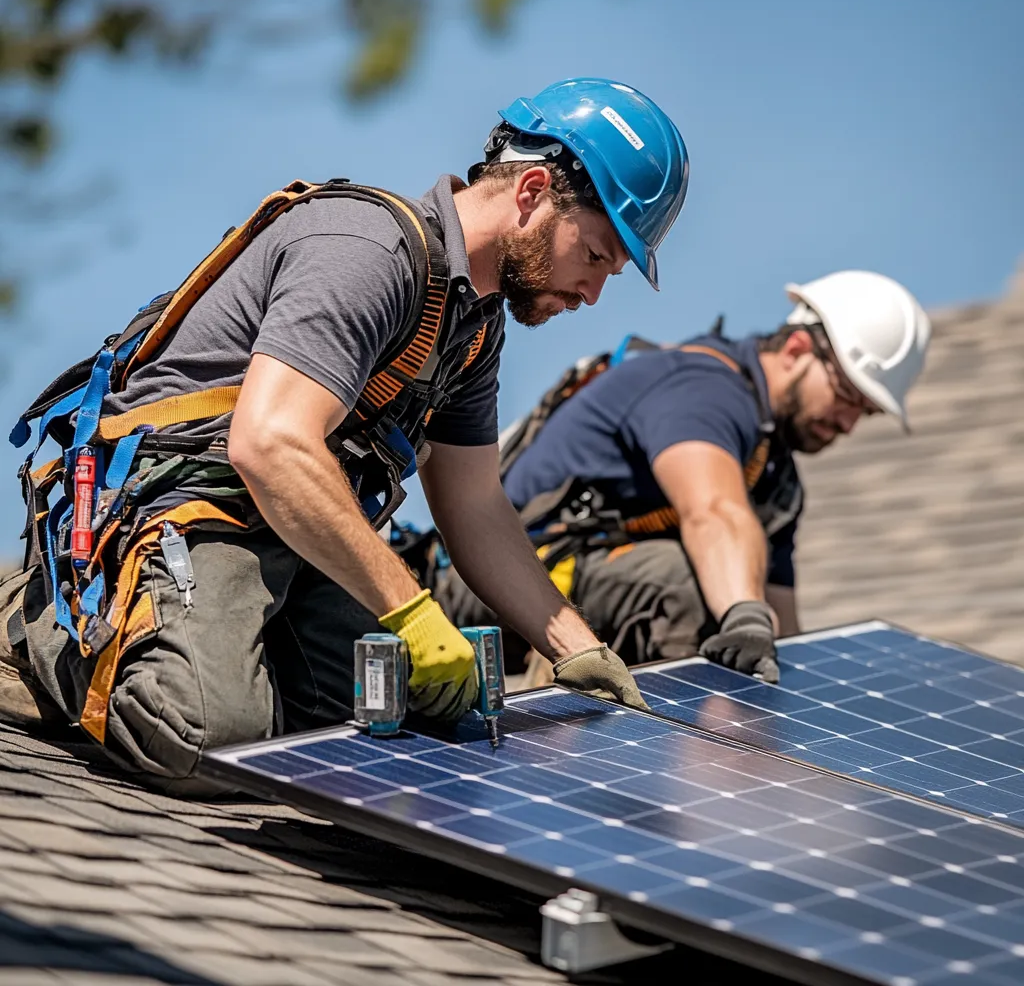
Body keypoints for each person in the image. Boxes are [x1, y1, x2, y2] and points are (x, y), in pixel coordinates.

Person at [0, 77, 689, 790]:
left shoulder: (474, 330)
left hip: (294, 539)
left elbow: (476, 507)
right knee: (208, 733)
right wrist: (413, 613)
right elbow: (269, 444)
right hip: (186, 513)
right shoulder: (368, 251)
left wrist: (576, 646)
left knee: (398, 728)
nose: (594, 292)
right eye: (599, 255)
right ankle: (27, 629)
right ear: (533, 191)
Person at [436, 271, 932, 684]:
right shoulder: (703, 389)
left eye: (864, 413)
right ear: (798, 348)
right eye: (847, 395)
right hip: (500, 582)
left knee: (739, 615)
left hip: (593, 591)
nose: (848, 424)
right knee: (692, 586)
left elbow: (781, 627)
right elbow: (713, 512)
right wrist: (744, 614)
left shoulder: (777, 480)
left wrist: (787, 696)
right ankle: (677, 758)